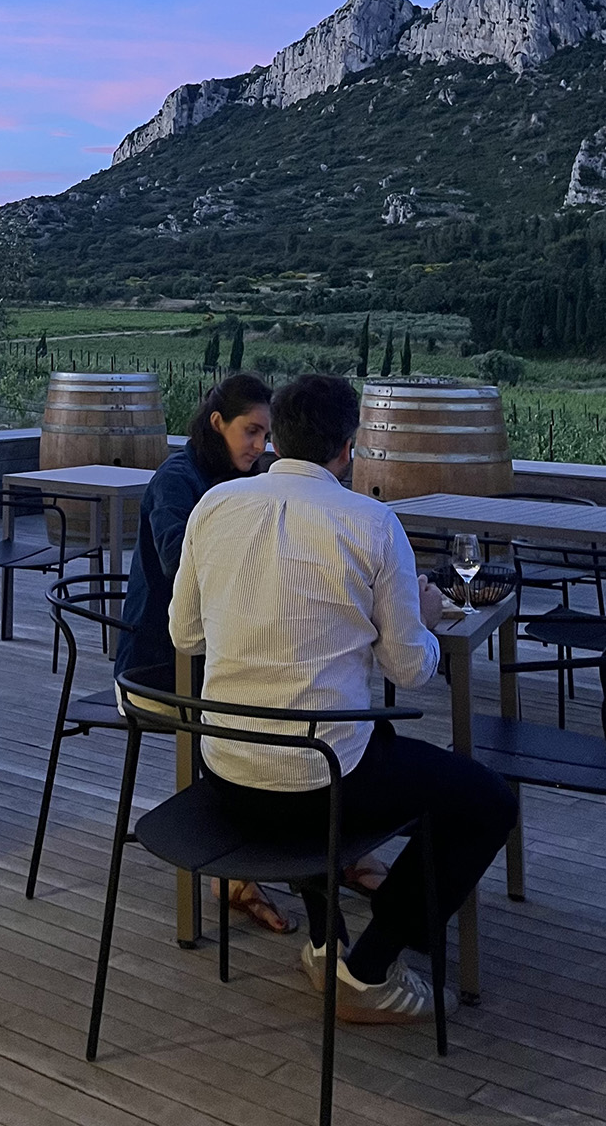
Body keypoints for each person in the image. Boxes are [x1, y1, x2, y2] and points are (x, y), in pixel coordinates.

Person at [168, 373, 518, 1023]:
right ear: (348, 448)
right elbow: (409, 670)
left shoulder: (212, 508)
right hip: (318, 785)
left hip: (226, 773)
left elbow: (184, 634)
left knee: (345, 739)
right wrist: (426, 614)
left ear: (279, 438)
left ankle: (327, 939)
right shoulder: (372, 523)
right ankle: (369, 966)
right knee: (485, 800)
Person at [115, 373, 382, 933]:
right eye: (251, 432)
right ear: (218, 424)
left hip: (212, 664)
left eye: (267, 435)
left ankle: (330, 854)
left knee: (286, 712)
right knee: (280, 722)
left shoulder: (240, 482)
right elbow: (177, 569)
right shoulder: (178, 481)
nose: (260, 447)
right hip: (159, 669)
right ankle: (249, 869)